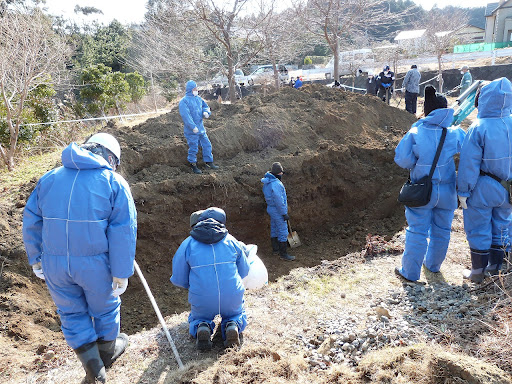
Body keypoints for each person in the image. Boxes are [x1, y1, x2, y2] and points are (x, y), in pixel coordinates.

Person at [22, 133, 137, 383]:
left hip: (54, 264)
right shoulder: (113, 182)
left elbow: (32, 218)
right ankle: (106, 355)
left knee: (71, 313)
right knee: (105, 309)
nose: (115, 166)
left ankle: (93, 369)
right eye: (115, 161)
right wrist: (121, 271)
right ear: (108, 156)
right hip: (94, 265)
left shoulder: (49, 178)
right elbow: (122, 231)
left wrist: (35, 258)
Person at [394, 86, 466, 282]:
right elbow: (469, 153)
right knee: (442, 230)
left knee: (417, 230)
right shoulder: (455, 133)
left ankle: (410, 272)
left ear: (427, 109)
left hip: (422, 191)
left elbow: (402, 159)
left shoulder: (416, 131)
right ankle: (433, 265)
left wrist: (417, 164)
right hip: (447, 192)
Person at [170, 207, 250, 351]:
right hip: (231, 295)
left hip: (202, 296)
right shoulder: (231, 241)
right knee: (236, 313)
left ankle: (202, 327)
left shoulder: (187, 244)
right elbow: (244, 271)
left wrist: (193, 285)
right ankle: (232, 324)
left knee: (199, 317)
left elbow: (178, 278)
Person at [457, 78, 512, 283]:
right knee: (503, 225)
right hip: (509, 189)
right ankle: (497, 269)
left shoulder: (478, 127)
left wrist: (463, 192)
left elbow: (468, 165)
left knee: (478, 227)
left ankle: (478, 272)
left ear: (485, 98)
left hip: (484, 187)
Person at [179, 80, 219, 174]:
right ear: (190, 89)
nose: (196, 90)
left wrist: (206, 112)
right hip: (191, 130)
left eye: (196, 88)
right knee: (193, 147)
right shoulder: (184, 101)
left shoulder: (198, 99)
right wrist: (192, 127)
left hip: (201, 128)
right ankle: (193, 165)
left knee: (207, 145)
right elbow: (186, 116)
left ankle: (209, 162)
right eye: (195, 89)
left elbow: (206, 106)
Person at [261, 162, 295, 261]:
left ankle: (275, 249)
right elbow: (279, 200)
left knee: (274, 228)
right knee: (283, 230)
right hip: (277, 210)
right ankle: (283, 254)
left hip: (271, 208)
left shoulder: (267, 182)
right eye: (281, 173)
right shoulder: (276, 184)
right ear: (278, 173)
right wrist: (284, 213)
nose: (282, 175)